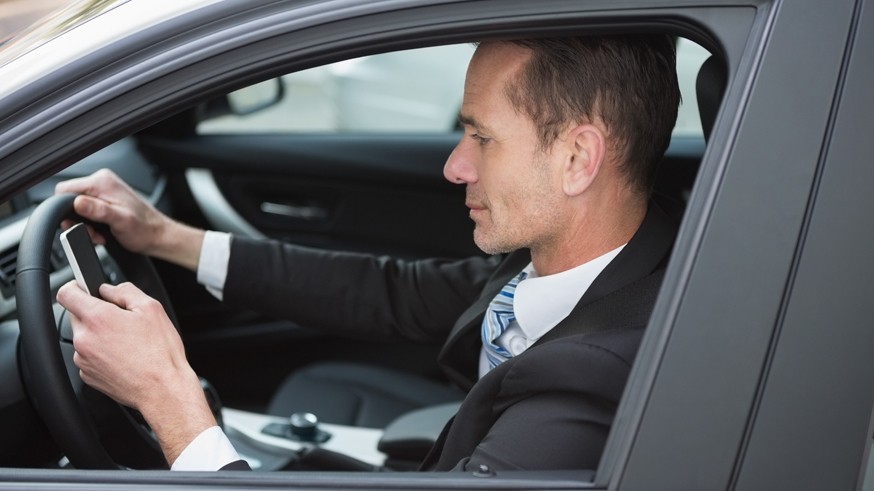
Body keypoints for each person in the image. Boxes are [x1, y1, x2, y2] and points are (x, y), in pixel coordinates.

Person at [55, 34, 681, 472]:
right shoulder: (573, 261)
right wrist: (165, 236)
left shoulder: (590, 392)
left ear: (577, 159)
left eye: (481, 137)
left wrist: (168, 398)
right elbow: (391, 292)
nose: (455, 165)